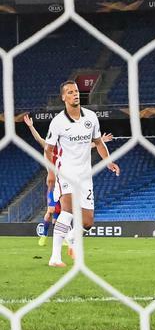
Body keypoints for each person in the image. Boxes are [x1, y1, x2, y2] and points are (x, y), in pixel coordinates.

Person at [42, 82, 120, 267]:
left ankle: (71, 237)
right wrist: (51, 173)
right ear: (64, 97)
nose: (75, 94)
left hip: (85, 174)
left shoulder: (91, 118)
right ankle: (55, 257)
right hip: (66, 171)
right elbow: (48, 150)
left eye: (76, 91)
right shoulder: (58, 122)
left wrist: (108, 161)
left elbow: (99, 143)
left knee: (87, 222)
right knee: (68, 210)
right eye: (70, 92)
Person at [23, 114, 111, 246]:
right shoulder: (49, 148)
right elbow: (38, 139)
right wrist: (31, 126)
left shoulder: (66, 149)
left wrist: (101, 140)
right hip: (53, 185)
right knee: (50, 211)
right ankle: (44, 235)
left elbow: (84, 146)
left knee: (66, 212)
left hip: (66, 182)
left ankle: (64, 238)